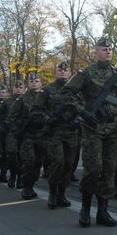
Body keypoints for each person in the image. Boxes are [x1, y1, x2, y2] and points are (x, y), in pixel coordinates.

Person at [61, 37, 117, 227]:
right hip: (93, 128)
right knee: (93, 169)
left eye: (110, 49)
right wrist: (82, 111)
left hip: (113, 130)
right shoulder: (86, 73)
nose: (108, 52)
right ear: (95, 52)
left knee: (110, 170)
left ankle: (103, 210)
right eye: (103, 49)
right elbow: (66, 93)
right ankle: (86, 208)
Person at [35, 61, 78, 209]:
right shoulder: (47, 90)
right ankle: (53, 193)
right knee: (57, 162)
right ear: (56, 72)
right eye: (60, 70)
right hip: (55, 133)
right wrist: (48, 119)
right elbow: (36, 110)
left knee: (68, 164)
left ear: (70, 72)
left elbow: (86, 108)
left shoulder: (77, 90)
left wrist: (78, 120)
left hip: (72, 133)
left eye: (66, 70)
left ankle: (62, 193)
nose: (63, 72)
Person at [8, 73, 47, 200]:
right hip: (28, 136)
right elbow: (11, 117)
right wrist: (17, 131)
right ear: (28, 84)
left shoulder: (47, 96)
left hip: (42, 135)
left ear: (40, 83)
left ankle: (31, 184)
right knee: (29, 160)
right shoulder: (22, 99)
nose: (34, 83)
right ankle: (26, 185)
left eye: (36, 81)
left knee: (38, 162)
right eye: (31, 81)